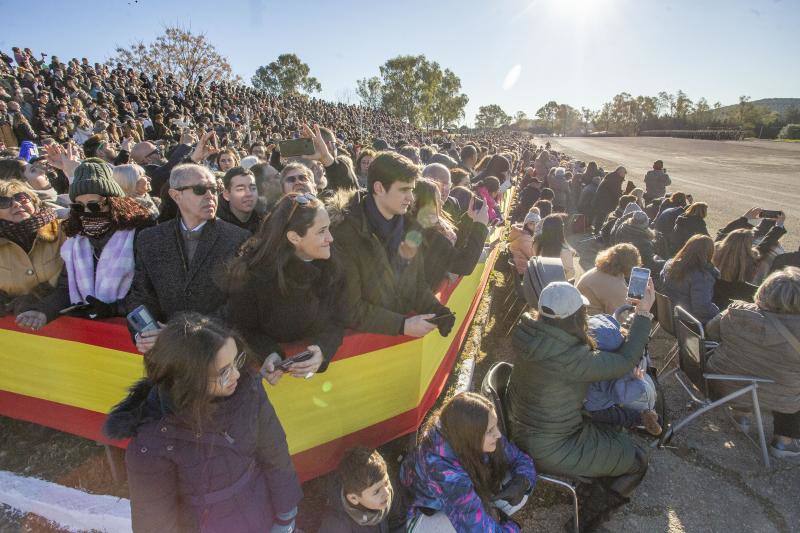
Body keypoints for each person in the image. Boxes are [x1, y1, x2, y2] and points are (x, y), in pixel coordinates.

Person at [102, 314, 303, 532]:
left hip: (260, 509)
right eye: (224, 371)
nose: (237, 374)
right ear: (190, 380)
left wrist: (286, 514)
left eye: (236, 361)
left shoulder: (249, 388)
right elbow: (154, 521)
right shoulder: (152, 441)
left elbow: (275, 452)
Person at [508, 281, 654, 528]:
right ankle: (583, 524)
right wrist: (643, 314)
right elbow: (626, 361)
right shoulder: (571, 357)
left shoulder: (531, 335)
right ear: (577, 317)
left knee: (612, 431)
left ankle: (593, 484)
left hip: (523, 430)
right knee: (637, 462)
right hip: (551, 445)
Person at [15, 158, 152, 330]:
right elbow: (66, 288)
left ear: (114, 203)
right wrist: (43, 311)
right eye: (79, 207)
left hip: (132, 330)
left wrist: (113, 309)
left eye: (94, 206)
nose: (87, 212)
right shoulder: (76, 240)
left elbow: (147, 289)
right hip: (93, 333)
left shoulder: (140, 233)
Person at [329, 151, 454, 338]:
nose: (411, 198)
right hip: (364, 355)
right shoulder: (345, 234)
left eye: (412, 190)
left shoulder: (410, 227)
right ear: (379, 188)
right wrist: (402, 325)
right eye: (404, 190)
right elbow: (350, 309)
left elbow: (416, 284)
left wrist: (436, 309)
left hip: (394, 345)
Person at [128, 164, 250, 353]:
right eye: (200, 189)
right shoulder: (150, 239)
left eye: (214, 189)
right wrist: (143, 334)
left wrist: (185, 333)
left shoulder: (237, 238)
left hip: (214, 349)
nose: (210, 196)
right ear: (176, 195)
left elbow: (240, 302)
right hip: (167, 355)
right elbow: (141, 294)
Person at [226, 193, 345, 383]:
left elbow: (337, 319)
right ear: (294, 237)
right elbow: (243, 328)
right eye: (322, 231)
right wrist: (269, 354)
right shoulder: (252, 276)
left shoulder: (332, 265)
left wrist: (323, 350)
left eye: (329, 228)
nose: (330, 238)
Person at [400, 392, 537, 532]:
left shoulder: (467, 432)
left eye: (495, 426)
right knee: (474, 521)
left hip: (459, 498)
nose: (498, 434)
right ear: (471, 435)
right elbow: (476, 529)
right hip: (422, 519)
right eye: (490, 430)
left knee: (517, 493)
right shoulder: (443, 472)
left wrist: (523, 481)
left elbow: (520, 458)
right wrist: (512, 527)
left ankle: (488, 514)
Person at [706, 267, 800, 458]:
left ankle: (741, 416)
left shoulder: (737, 312)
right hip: (780, 396)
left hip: (726, 384)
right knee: (784, 380)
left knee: (747, 366)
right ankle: (784, 441)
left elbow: (711, 331)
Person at [0, 180, 65, 314]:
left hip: (64, 322)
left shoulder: (64, 230)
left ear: (34, 202)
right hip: (15, 329)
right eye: (4, 202)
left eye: (22, 198)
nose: (17, 204)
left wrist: (37, 298)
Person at [412, 178, 489, 289]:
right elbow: (464, 264)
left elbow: (453, 246)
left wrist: (469, 218)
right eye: (438, 199)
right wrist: (480, 227)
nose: (442, 202)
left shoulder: (433, 223)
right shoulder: (426, 232)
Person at [318, 447, 405, 533]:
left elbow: (398, 521)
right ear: (353, 499)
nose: (386, 492)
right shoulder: (338, 525)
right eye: (376, 492)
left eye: (386, 482)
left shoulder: (389, 492)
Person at [660, 234, 720, 323]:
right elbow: (702, 308)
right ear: (709, 253)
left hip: (667, 314)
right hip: (689, 322)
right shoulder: (702, 277)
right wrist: (719, 312)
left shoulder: (669, 264)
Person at [576, 243, 642, 316]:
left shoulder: (600, 271)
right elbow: (621, 319)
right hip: (592, 322)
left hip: (581, 317)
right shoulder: (615, 286)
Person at [613, 209, 665, 276]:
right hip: (631, 271)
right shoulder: (645, 243)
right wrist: (665, 263)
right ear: (645, 225)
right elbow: (650, 265)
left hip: (617, 261)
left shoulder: (622, 227)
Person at [217, 166, 263, 234]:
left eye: (253, 188)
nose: (249, 194)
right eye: (240, 189)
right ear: (226, 194)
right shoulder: (214, 224)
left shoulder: (266, 220)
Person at [532, 214, 576, 280]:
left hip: (539, 281)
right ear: (561, 229)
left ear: (544, 227)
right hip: (556, 285)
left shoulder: (536, 243)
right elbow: (571, 273)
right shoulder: (564, 251)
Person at [591, 166, 626, 233]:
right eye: (624, 173)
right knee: (601, 217)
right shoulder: (615, 179)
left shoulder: (612, 176)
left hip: (603, 200)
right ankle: (597, 232)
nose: (624, 175)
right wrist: (621, 197)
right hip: (604, 201)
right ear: (620, 172)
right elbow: (615, 192)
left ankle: (597, 230)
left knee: (601, 216)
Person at [508, 210, 541, 274]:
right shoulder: (525, 238)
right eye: (531, 223)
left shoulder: (519, 233)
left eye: (536, 224)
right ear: (526, 224)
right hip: (524, 269)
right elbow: (533, 257)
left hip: (519, 265)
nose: (534, 226)